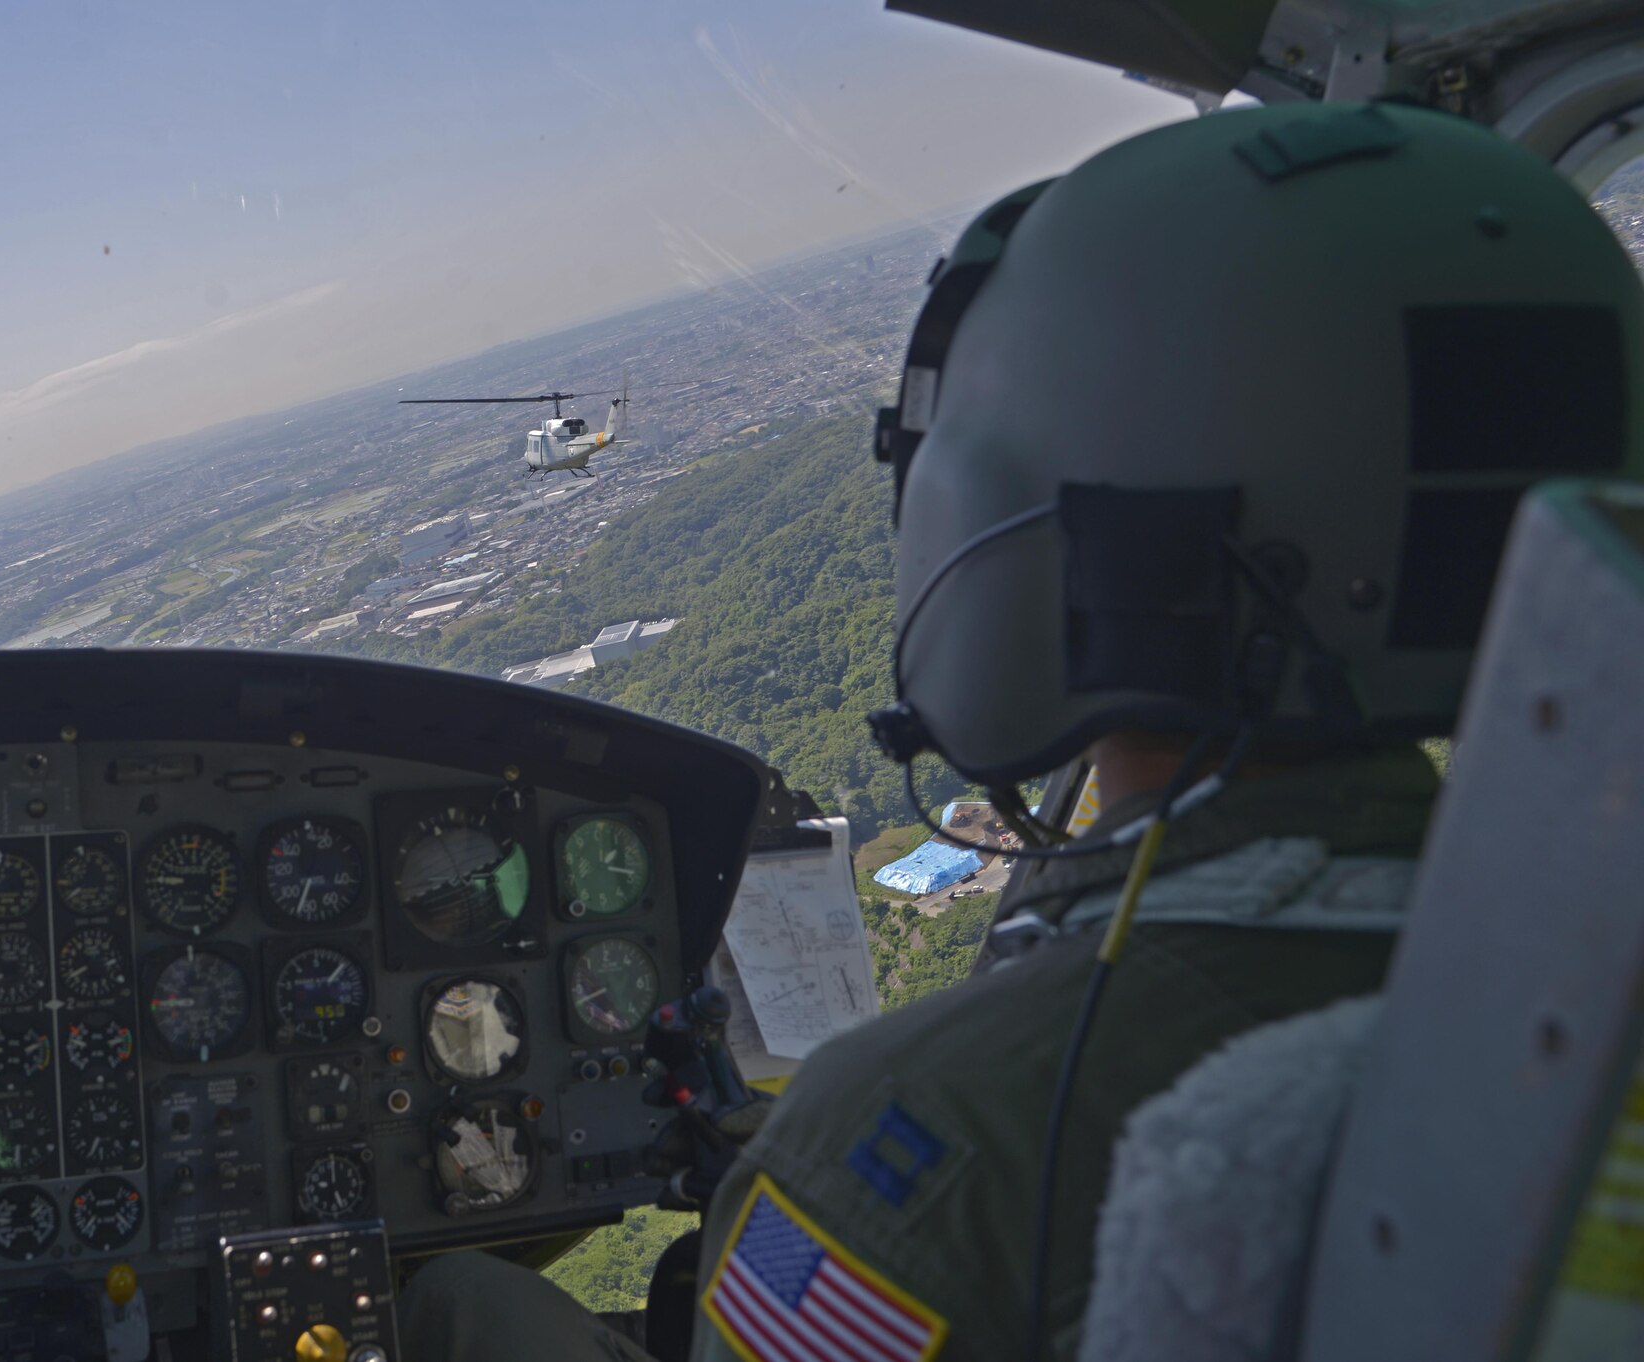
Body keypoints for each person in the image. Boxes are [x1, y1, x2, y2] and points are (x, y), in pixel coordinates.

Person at [399, 98, 1644, 1362]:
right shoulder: (1581, 964)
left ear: (1014, 542)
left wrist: (803, 1156)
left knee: (449, 1312)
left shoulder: (918, 1134)